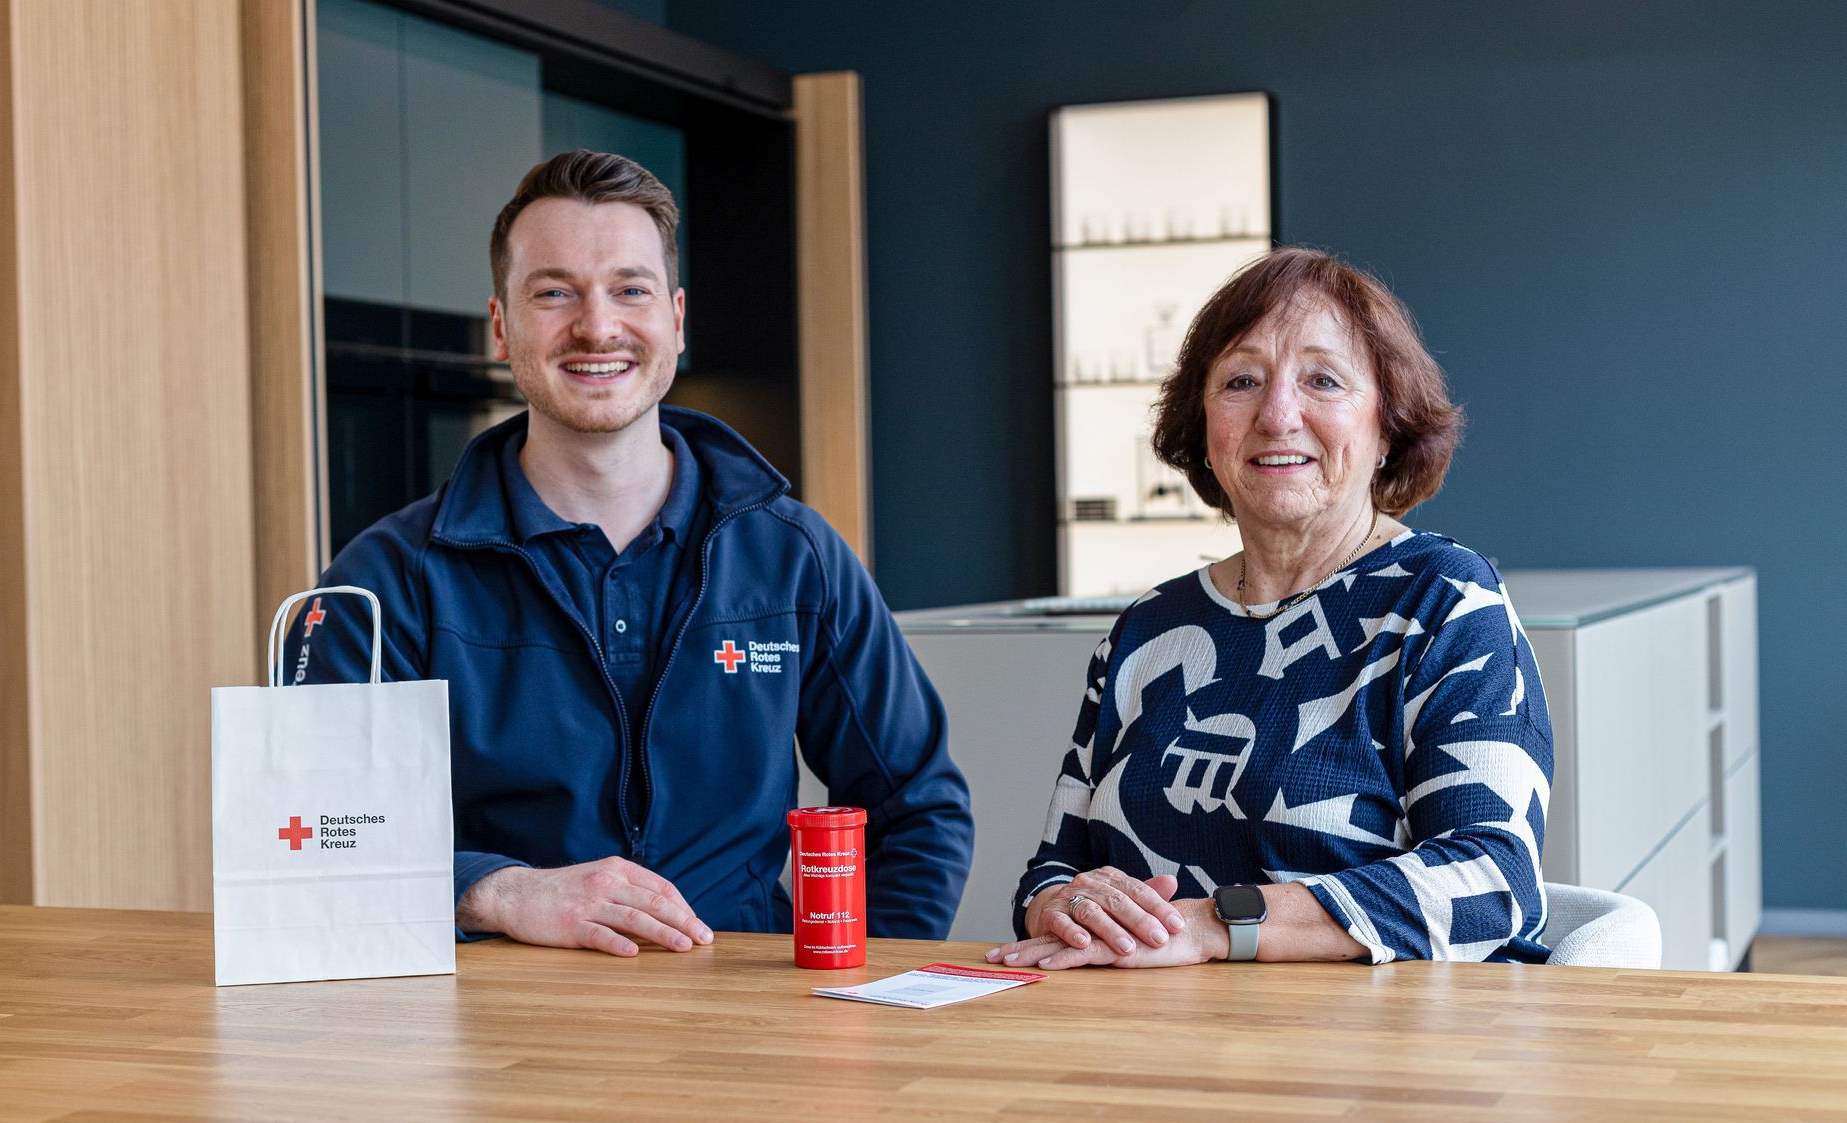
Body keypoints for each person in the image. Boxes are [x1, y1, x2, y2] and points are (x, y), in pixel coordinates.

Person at [287, 149, 971, 956]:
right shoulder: (384, 581)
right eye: (554, 293)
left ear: (676, 319)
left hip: (741, 1016)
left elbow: (918, 808)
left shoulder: (795, 558)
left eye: (630, 290)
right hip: (491, 1020)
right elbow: (313, 829)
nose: (598, 326)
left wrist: (852, 990)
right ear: (502, 327)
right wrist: (498, 892)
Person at [988, 247, 1553, 971]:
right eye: (1241, 382)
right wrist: (1066, 905)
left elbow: (1493, 878)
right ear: (1203, 429)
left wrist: (1215, 925)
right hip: (1149, 1028)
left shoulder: (1443, 601)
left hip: (1381, 1034)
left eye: (1323, 380)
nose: (1278, 414)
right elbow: (1051, 870)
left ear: (1387, 428)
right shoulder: (1148, 630)